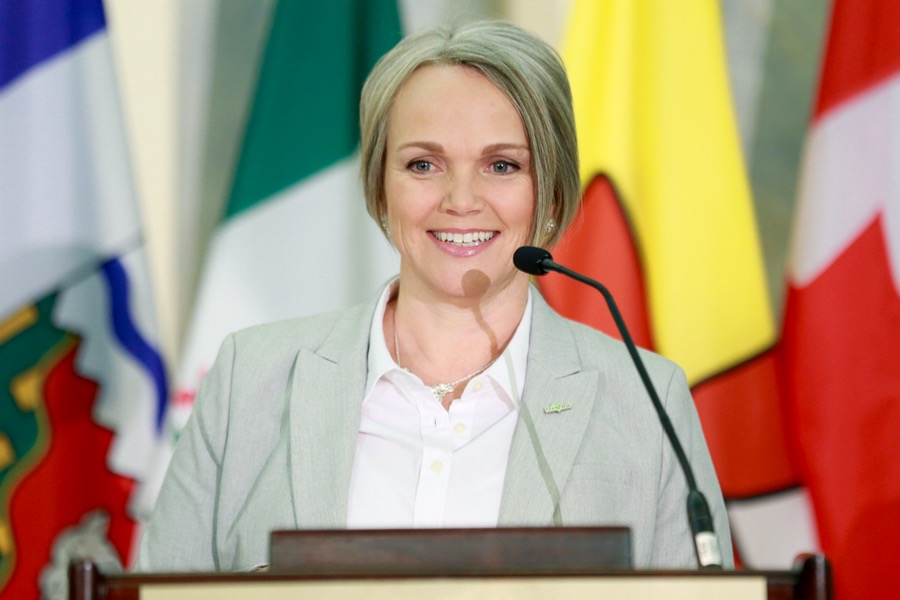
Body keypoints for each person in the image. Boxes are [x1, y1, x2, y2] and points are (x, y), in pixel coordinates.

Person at [136, 20, 733, 572]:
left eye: (502, 166)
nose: (461, 200)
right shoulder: (248, 380)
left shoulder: (646, 400)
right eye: (424, 164)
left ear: (549, 196)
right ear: (380, 188)